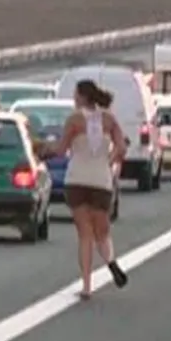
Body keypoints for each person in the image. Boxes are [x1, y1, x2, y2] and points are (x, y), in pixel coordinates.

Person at [40, 80, 129, 300]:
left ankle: (87, 286)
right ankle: (110, 260)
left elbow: (61, 150)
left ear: (81, 97)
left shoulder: (74, 120)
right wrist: (109, 159)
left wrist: (44, 149)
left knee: (84, 235)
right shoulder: (109, 120)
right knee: (102, 231)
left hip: (77, 178)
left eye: (75, 94)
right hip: (101, 179)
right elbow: (123, 148)